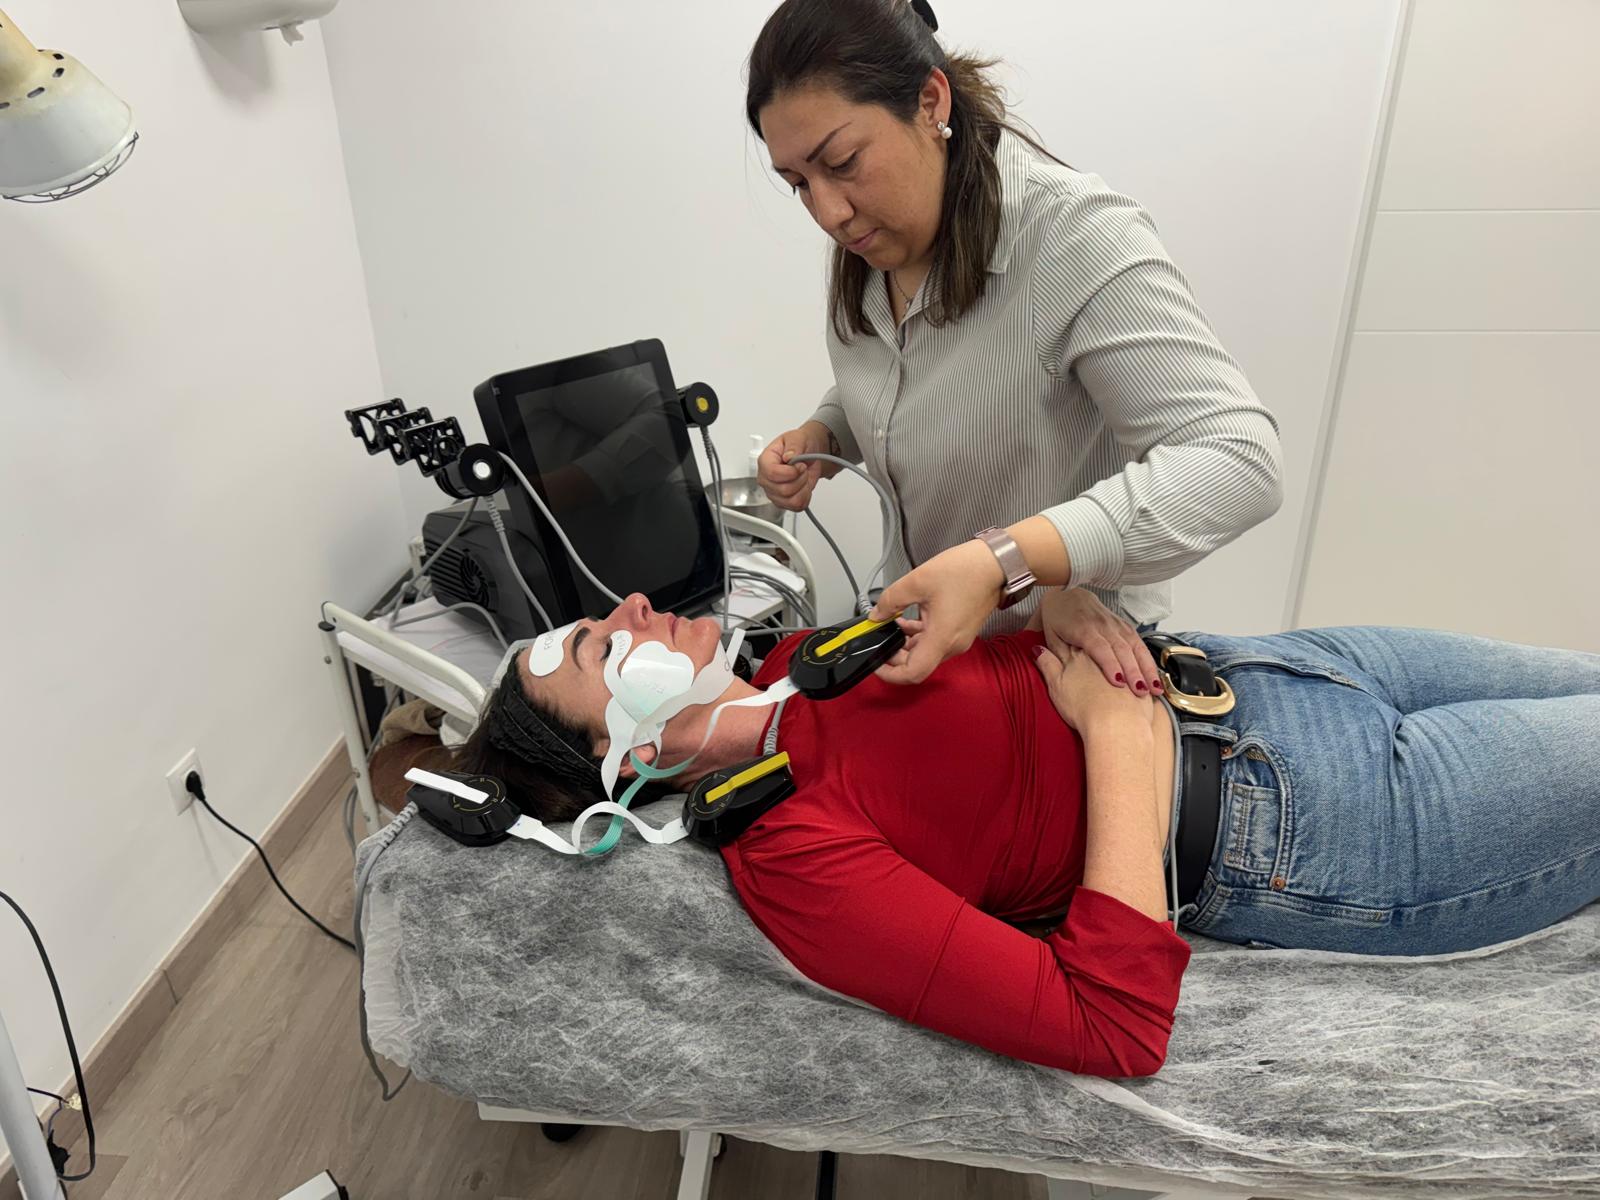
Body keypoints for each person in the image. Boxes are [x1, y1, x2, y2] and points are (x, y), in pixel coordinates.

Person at [454, 591, 1600, 1078]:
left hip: (1287, 666)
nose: (630, 610)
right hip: (1319, 818)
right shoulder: (792, 860)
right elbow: (1112, 1026)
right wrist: (1120, 744)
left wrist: (1054, 598)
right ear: (627, 760)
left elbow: (999, 645)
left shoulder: (804, 661)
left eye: (596, 619)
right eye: (600, 650)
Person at [747, 0, 1285, 690]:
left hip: (1057, 660)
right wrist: (826, 432)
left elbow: (1239, 460)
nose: (828, 212)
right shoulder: (873, 240)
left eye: (843, 162)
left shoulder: (1074, 235)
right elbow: (905, 374)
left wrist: (1008, 560)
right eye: (798, 184)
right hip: (927, 644)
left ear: (930, 102)